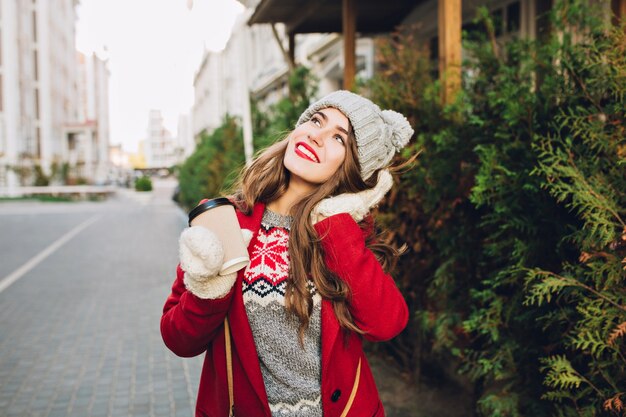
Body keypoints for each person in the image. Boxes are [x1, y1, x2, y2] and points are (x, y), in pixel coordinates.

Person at [161, 90, 414, 417]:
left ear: (352, 169)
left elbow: (387, 324)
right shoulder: (227, 220)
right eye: (315, 120)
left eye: (339, 138)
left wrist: (335, 218)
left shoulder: (344, 234)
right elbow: (179, 339)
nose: (317, 134)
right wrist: (208, 290)